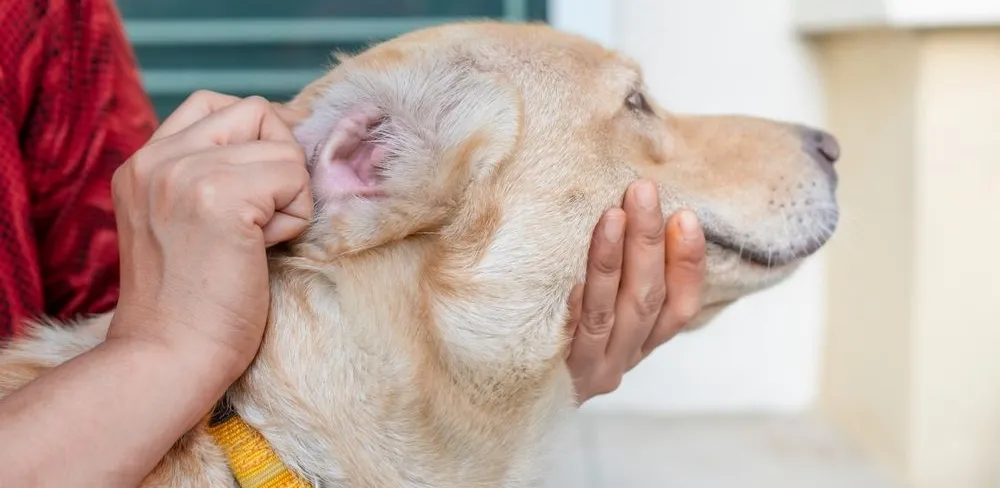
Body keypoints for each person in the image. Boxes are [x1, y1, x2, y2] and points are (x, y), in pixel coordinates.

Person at [0, 0, 708, 486]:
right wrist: (161, 350)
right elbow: (152, 343)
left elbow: (109, 311)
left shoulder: (44, 16)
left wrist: (486, 374)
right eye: (633, 105)